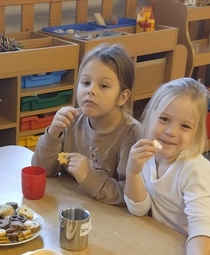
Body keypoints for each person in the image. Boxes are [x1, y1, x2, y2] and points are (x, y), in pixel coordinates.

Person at [124, 77, 210, 255]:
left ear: (196, 133)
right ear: (149, 117)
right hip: (171, 245)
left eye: (185, 126)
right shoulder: (147, 154)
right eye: (164, 119)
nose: (171, 132)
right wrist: (133, 172)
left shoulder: (196, 169)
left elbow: (202, 224)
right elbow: (139, 209)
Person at [31, 43, 140, 205]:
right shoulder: (71, 121)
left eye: (103, 85)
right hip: (71, 204)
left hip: (109, 215)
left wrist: (88, 176)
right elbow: (42, 170)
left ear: (122, 97)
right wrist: (53, 134)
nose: (91, 90)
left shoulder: (131, 134)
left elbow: (129, 196)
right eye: (86, 83)